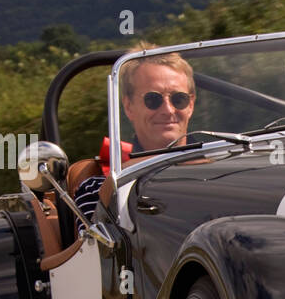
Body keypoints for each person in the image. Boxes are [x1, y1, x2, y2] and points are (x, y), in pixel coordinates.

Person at [74, 43, 196, 221]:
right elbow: (100, 247)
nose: (168, 110)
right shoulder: (97, 189)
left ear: (191, 105)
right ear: (129, 106)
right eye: (153, 99)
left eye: (179, 99)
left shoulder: (227, 167)